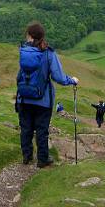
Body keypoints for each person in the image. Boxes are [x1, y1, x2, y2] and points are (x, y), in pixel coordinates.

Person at [16, 22, 79, 168]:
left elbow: (20, 75)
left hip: (24, 98)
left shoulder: (23, 51)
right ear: (42, 36)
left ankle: (26, 156)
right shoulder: (48, 53)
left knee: (26, 129)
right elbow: (58, 77)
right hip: (43, 101)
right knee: (42, 130)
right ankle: (42, 159)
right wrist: (72, 80)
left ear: (30, 36)